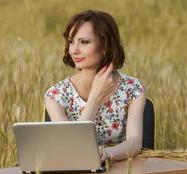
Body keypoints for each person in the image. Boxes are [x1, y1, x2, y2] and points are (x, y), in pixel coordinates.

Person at [44, 10, 146, 164]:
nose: (74, 50)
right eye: (71, 41)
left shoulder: (133, 89)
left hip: (120, 171)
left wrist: (107, 154)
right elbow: (69, 147)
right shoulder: (55, 95)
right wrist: (95, 98)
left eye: (84, 42)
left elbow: (135, 142)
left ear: (105, 46)